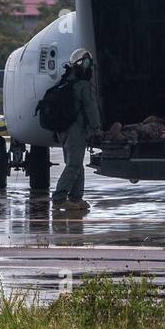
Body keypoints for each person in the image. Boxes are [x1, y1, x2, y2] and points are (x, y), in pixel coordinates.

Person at [52, 47, 101, 209]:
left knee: (76, 164)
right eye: (87, 63)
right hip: (75, 130)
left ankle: (75, 199)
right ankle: (59, 198)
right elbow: (91, 108)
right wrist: (96, 129)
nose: (89, 66)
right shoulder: (83, 86)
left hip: (64, 130)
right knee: (74, 164)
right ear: (80, 64)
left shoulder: (66, 82)